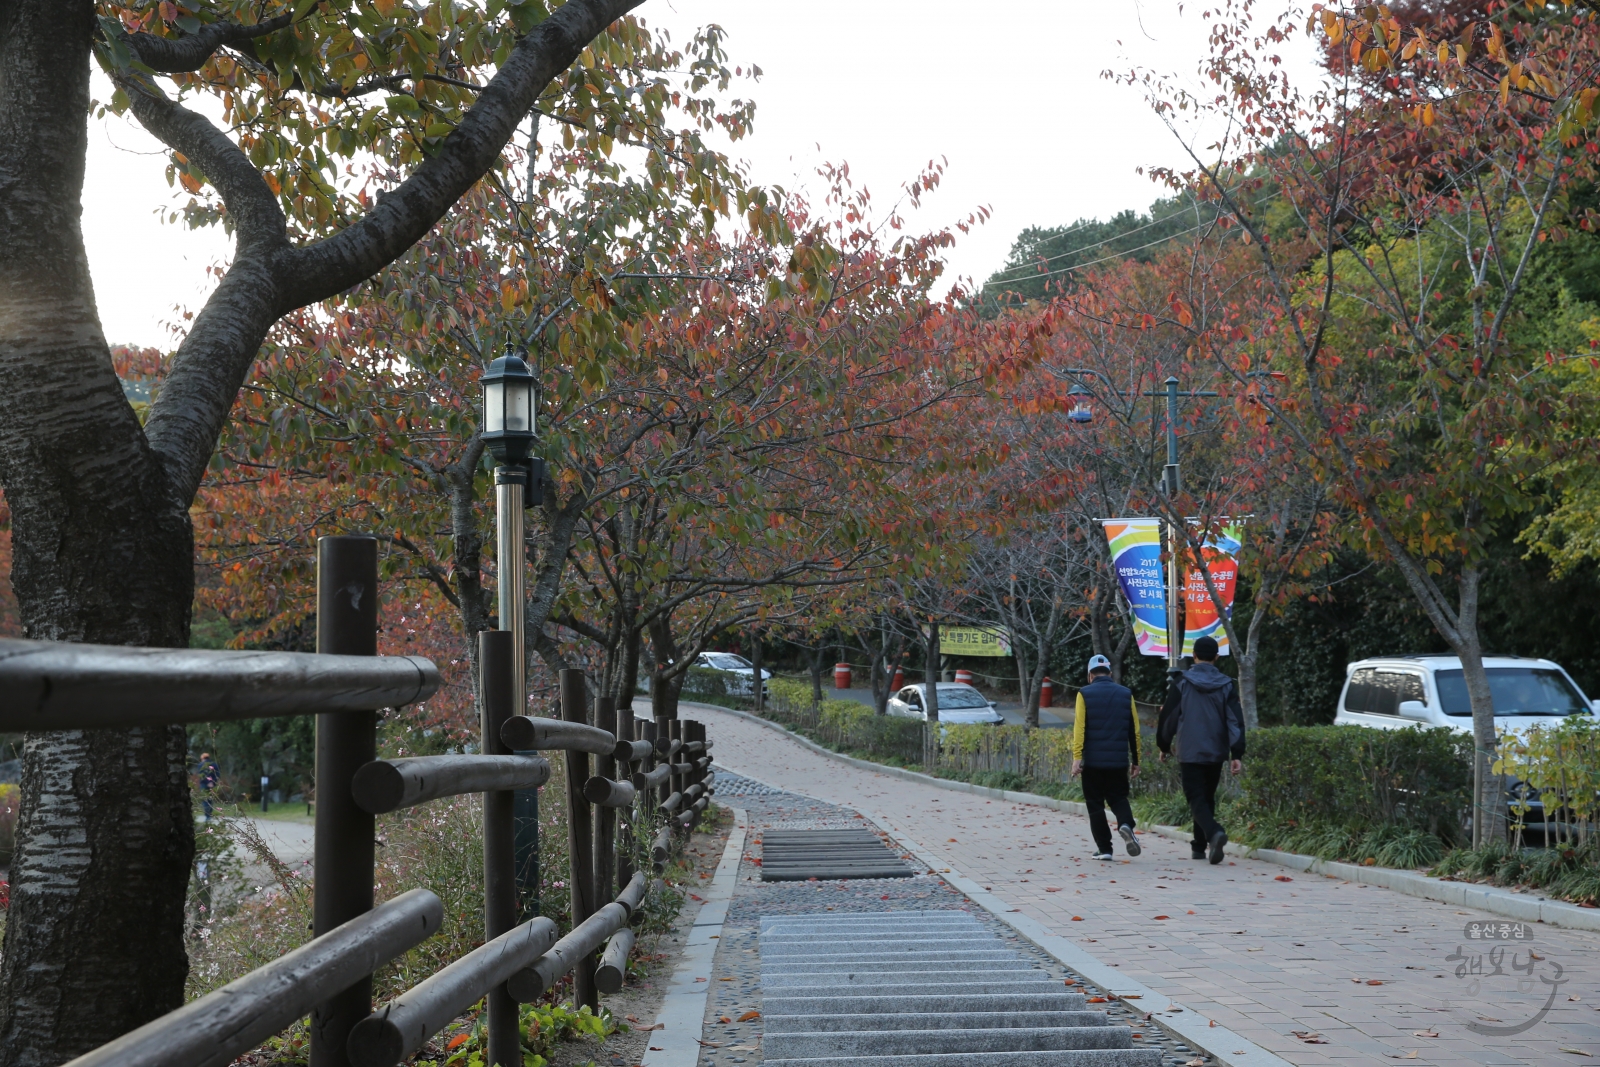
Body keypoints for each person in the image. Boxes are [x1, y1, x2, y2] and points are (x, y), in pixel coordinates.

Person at [1157, 635, 1246, 865]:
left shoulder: (1182, 683)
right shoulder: (1226, 685)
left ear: (1194, 656)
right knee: (1206, 796)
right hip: (1216, 750)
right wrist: (1236, 753)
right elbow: (1235, 721)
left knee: (1195, 797)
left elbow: (1169, 717)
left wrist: (1164, 745)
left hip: (1189, 750)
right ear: (1216, 657)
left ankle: (1214, 833)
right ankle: (1198, 847)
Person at [1070, 654, 1142, 861]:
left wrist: (1077, 758)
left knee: (1095, 804)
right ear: (1110, 674)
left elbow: (1080, 728)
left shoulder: (1084, 694)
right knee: (1118, 797)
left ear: (1090, 675)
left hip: (1093, 762)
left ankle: (1105, 849)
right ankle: (1126, 825)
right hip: (1118, 761)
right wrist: (1136, 760)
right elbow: (1134, 730)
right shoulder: (1126, 694)